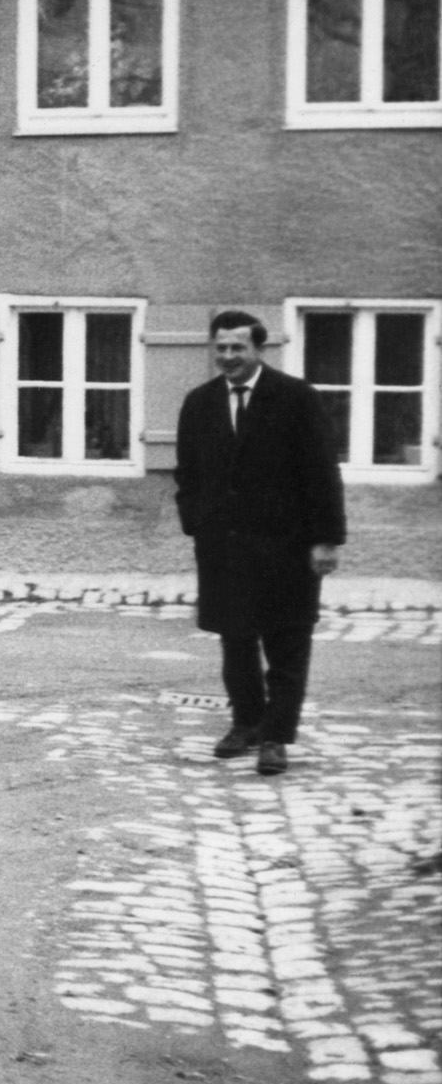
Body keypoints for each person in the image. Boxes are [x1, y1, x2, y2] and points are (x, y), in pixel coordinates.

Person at [175, 309, 345, 777]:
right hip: (224, 548)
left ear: (258, 349)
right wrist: (196, 521)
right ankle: (246, 723)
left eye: (238, 348)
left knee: (287, 642)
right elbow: (187, 473)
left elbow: (322, 473)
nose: (228, 357)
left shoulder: (295, 398)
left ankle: (275, 737)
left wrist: (326, 540)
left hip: (287, 548)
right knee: (236, 640)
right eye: (221, 348)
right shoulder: (199, 402)